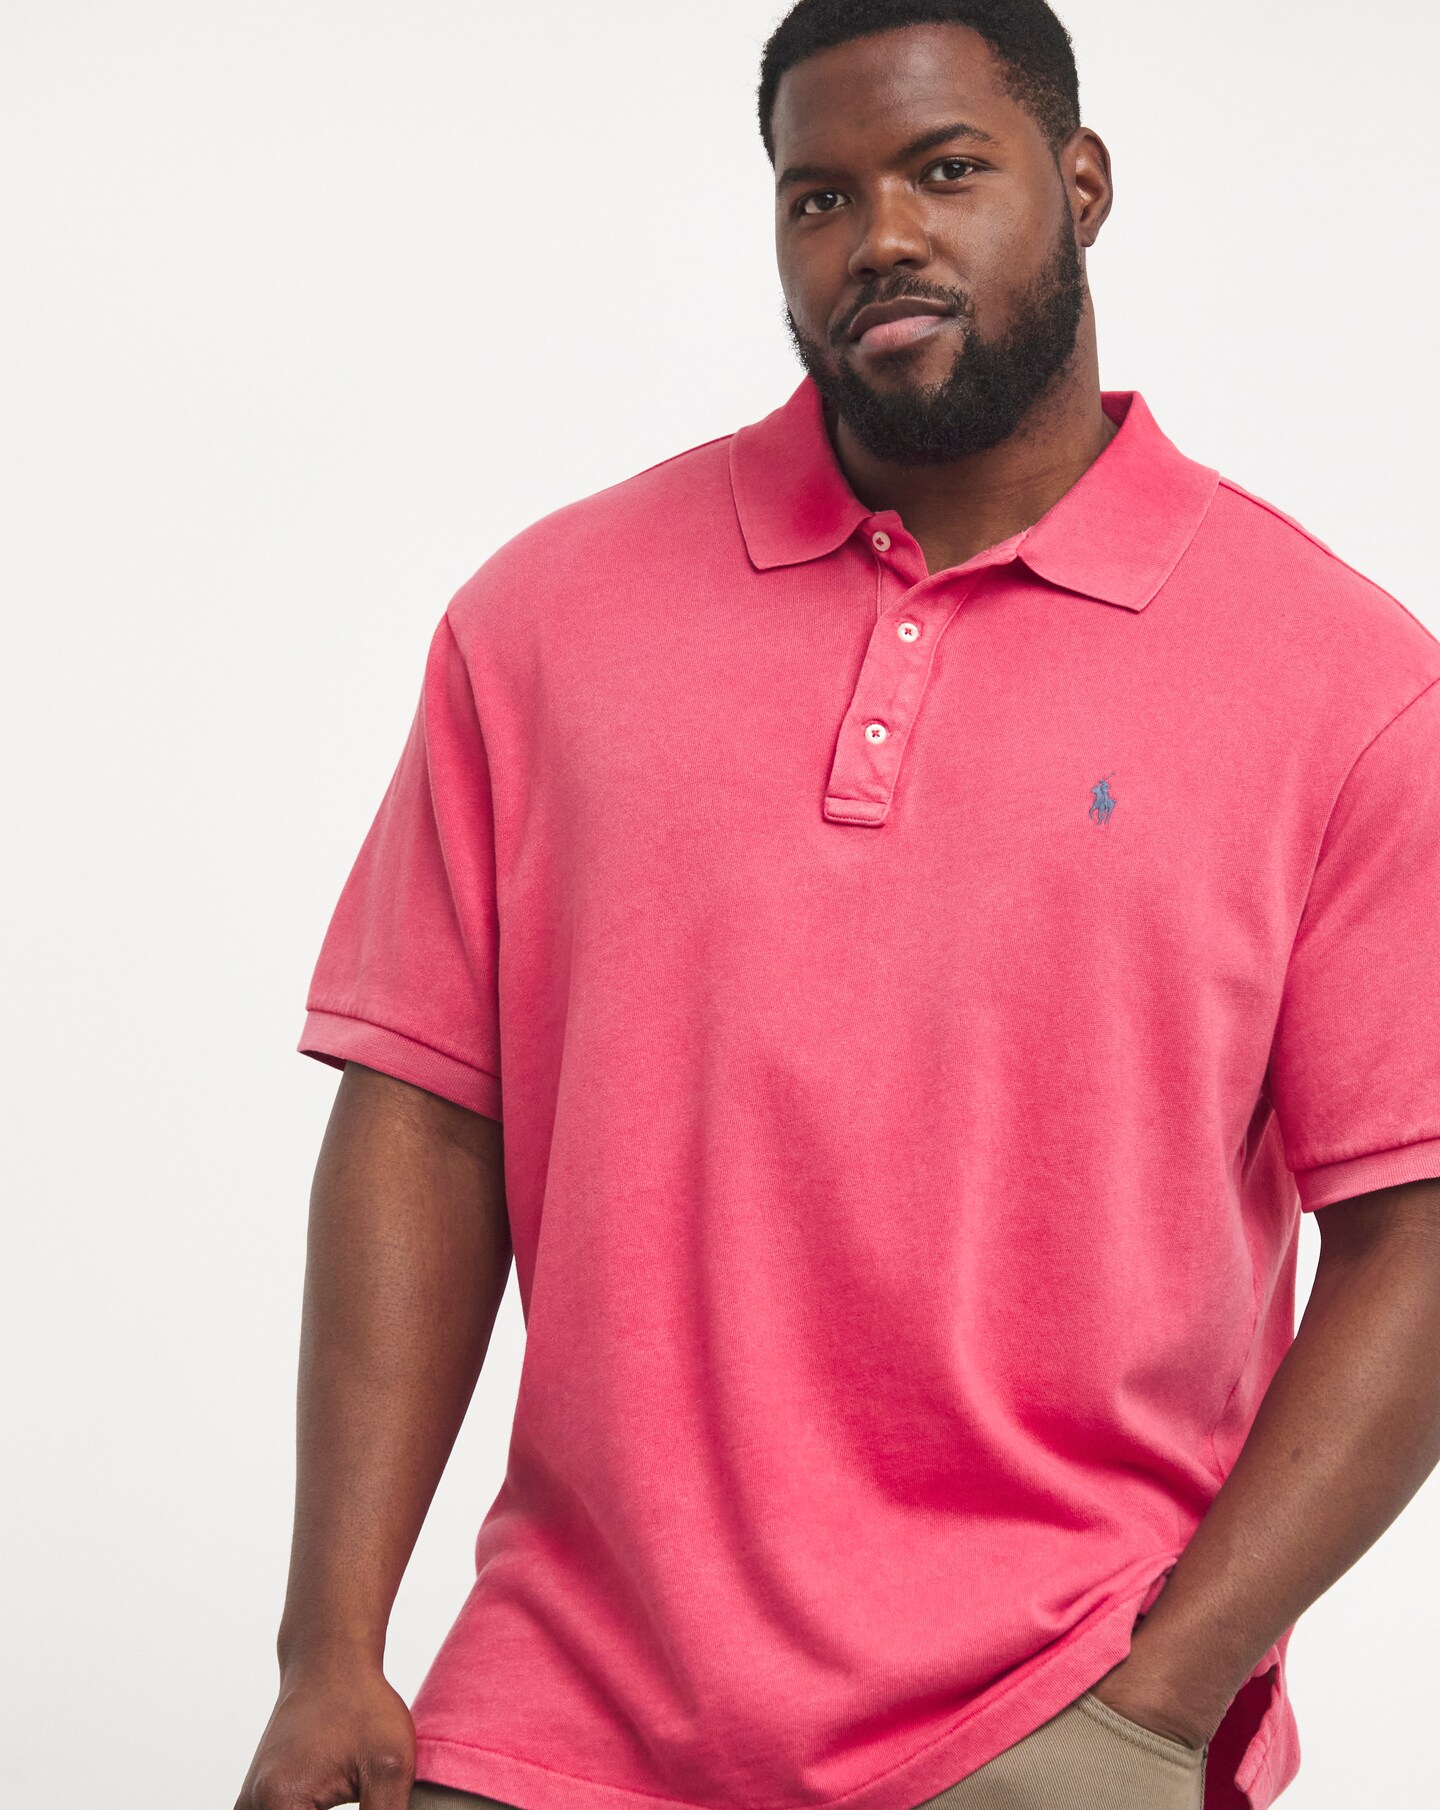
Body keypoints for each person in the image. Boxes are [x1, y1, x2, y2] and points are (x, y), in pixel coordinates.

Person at [234, 3, 1440, 1808]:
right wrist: (328, 1645)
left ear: (1083, 185)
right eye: (820, 195)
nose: (881, 234)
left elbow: (1418, 1229)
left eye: (946, 169)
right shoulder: (546, 621)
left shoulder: (1343, 682)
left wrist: (1158, 1703)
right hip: (552, 1728)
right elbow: (423, 1120)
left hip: (1046, 1718)